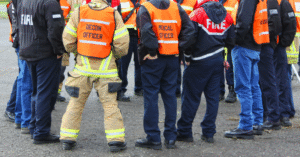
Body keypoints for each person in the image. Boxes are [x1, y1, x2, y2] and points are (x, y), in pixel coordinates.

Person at [60, 0, 129, 152]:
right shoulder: (113, 13)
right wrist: (113, 57)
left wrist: (78, 53)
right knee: (111, 106)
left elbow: (68, 39)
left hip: (82, 70)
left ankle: (67, 139)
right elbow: (122, 44)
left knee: (75, 104)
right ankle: (115, 141)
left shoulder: (79, 12)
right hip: (107, 71)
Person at [135, 0, 194, 150]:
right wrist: (178, 47)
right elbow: (190, 29)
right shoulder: (176, 7)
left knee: (151, 96)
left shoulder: (145, 8)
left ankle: (153, 138)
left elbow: (146, 31)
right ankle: (170, 137)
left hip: (153, 58)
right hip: (172, 58)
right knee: (170, 96)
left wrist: (153, 51)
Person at [176, 0, 235, 144]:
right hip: (217, 62)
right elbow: (231, 41)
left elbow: (189, 38)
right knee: (213, 99)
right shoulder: (227, 16)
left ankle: (184, 132)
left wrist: (188, 57)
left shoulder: (197, 14)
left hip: (197, 62)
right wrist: (223, 56)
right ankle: (209, 133)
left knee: (191, 98)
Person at [224, 0, 279, 139]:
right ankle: (256, 123)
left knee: (244, 87)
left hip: (244, 46)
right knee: (254, 86)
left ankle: (246, 126)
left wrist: (233, 40)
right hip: (255, 46)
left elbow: (243, 21)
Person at [17, 0, 65, 144]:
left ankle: (34, 127)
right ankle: (41, 132)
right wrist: (58, 50)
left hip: (29, 50)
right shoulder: (50, 4)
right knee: (45, 93)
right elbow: (55, 29)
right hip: (45, 53)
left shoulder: (24, 2)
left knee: (36, 92)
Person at [259, 0, 296, 130]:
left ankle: (282, 113)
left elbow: (291, 23)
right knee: (276, 80)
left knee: (279, 80)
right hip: (272, 45)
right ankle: (276, 113)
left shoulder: (281, 3)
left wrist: (283, 43)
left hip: (275, 47)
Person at [116, 0, 144, 102]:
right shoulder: (121, 1)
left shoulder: (145, 1)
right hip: (125, 36)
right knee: (123, 65)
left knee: (140, 64)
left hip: (140, 37)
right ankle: (121, 89)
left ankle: (139, 88)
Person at [57, 0, 82, 102]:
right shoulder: (59, 2)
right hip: (62, 39)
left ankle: (77, 90)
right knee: (60, 68)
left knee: (79, 67)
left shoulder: (78, 2)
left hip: (78, 38)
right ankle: (55, 91)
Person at [173, 0, 197, 98]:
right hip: (174, 37)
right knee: (174, 66)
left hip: (188, 37)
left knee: (189, 65)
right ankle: (176, 89)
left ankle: (189, 90)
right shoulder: (170, 2)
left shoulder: (192, 1)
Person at [219, 0, 238, 103]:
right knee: (217, 65)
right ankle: (219, 91)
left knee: (230, 65)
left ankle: (232, 89)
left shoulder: (234, 2)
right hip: (217, 36)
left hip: (230, 38)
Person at [4, 0, 18, 123]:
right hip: (21, 42)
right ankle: (11, 108)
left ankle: (13, 107)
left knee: (24, 76)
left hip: (21, 41)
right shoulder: (15, 4)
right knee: (24, 77)